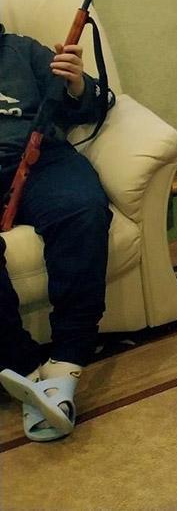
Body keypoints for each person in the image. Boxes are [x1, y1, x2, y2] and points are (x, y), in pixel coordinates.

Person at [0, 27, 111, 442]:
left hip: (43, 160)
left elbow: (86, 107)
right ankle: (23, 369)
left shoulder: (23, 49)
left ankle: (67, 361)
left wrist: (78, 82)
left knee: (83, 210)